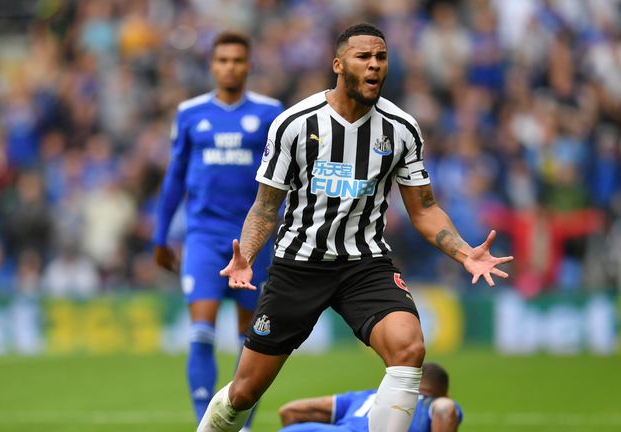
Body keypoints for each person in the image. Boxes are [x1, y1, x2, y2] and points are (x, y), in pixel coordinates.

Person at [199, 23, 511, 432]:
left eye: (381, 57)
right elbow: (265, 207)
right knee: (244, 392)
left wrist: (463, 251)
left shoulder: (401, 129)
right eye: (364, 57)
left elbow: (424, 209)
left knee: (409, 348)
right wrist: (247, 259)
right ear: (338, 64)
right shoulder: (294, 124)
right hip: (298, 266)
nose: (374, 65)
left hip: (364, 265)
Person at [152, 31, 283, 428]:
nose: (230, 66)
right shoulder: (190, 113)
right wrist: (160, 237)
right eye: (223, 60)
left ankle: (241, 425)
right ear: (212, 65)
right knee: (201, 332)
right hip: (204, 237)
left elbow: (284, 178)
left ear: (248, 65)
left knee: (253, 340)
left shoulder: (269, 112)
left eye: (237, 60)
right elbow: (175, 178)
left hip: (253, 239)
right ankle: (204, 425)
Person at [278, 362, 463, 432]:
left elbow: (290, 412)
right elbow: (444, 409)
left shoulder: (369, 395)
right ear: (444, 393)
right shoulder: (432, 403)